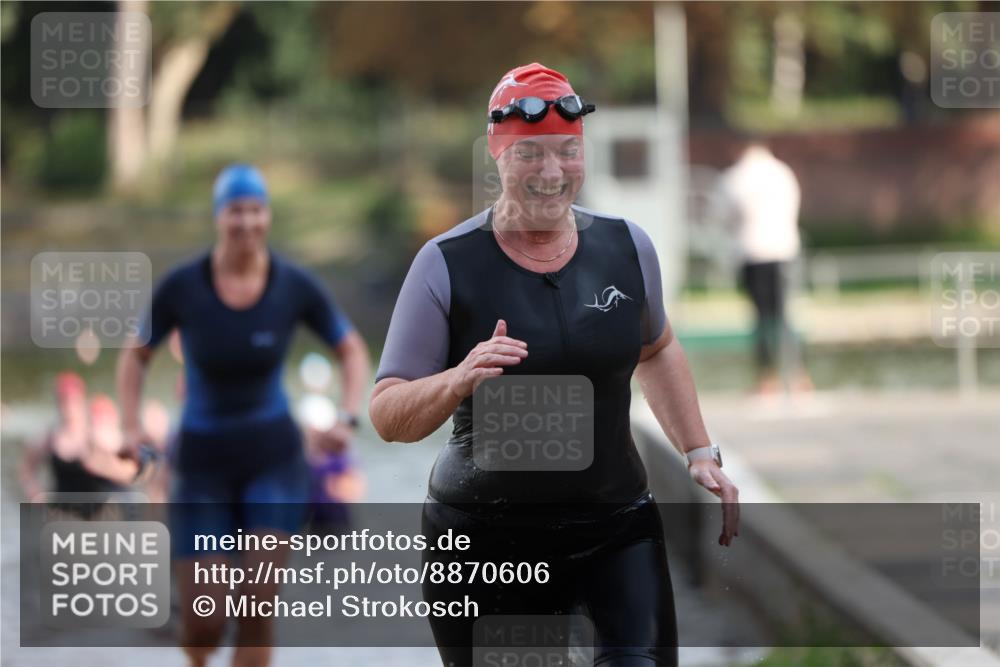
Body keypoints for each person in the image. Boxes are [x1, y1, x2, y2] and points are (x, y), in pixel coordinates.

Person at [369, 63, 740, 667]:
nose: (551, 172)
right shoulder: (445, 264)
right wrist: (457, 378)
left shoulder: (626, 248)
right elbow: (387, 415)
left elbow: (658, 347)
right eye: (530, 154)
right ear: (497, 155)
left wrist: (699, 453)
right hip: (488, 541)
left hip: (616, 525)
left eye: (568, 152)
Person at [116, 164, 370, 667]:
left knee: (257, 603)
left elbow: (353, 351)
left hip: (274, 461)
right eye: (236, 211)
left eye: (256, 210)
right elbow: (134, 355)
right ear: (219, 216)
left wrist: (347, 417)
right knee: (205, 622)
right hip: (202, 466)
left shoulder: (293, 284)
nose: (247, 222)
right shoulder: (183, 287)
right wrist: (129, 426)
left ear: (267, 216)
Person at [716, 140, 813, 394]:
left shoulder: (735, 178)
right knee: (785, 315)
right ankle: (798, 374)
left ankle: (766, 379)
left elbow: (724, 217)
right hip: (785, 249)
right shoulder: (783, 173)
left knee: (761, 318)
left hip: (752, 252)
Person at [20, 374, 137, 515]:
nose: (69, 407)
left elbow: (130, 473)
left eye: (73, 401)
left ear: (82, 401)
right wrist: (35, 494)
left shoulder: (98, 435)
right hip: (63, 516)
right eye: (64, 401)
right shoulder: (49, 438)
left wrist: (106, 467)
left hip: (97, 517)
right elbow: (26, 470)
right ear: (58, 402)